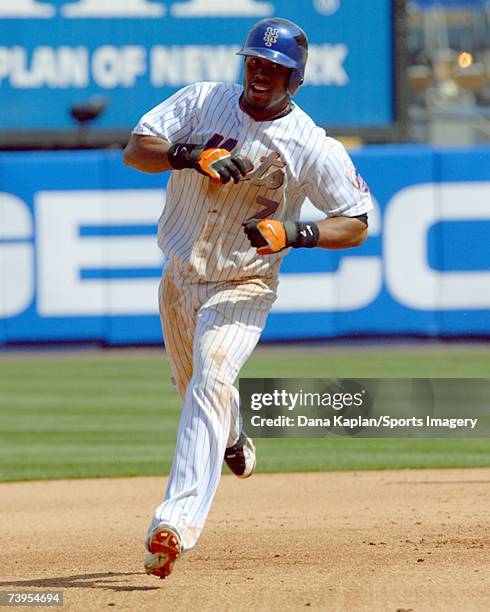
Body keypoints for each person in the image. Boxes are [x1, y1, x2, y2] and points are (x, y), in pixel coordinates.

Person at [124, 17, 372, 579]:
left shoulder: (312, 144)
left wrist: (295, 233)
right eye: (254, 63)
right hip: (180, 276)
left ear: (296, 78)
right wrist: (189, 155)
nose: (259, 75)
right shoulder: (204, 101)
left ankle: (174, 525)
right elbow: (137, 149)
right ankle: (234, 437)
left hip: (246, 283)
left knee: (211, 379)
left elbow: (355, 221)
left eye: (274, 68)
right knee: (194, 387)